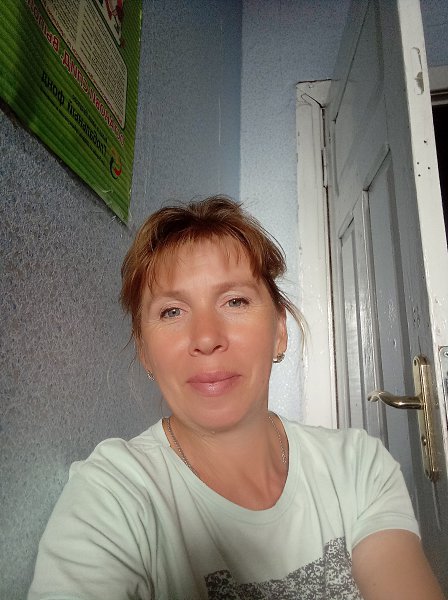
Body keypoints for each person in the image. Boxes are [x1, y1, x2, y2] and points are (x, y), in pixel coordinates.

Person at [28, 196, 444, 600]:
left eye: (235, 301)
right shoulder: (112, 496)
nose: (207, 337)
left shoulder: (358, 467)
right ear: (145, 351)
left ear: (279, 330)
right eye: (172, 311)